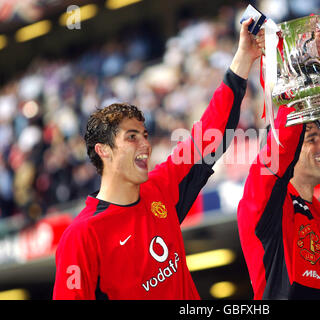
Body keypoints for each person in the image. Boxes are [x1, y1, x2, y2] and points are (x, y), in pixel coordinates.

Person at [52, 18, 263, 300]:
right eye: (131, 137)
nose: (146, 145)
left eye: (145, 135)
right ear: (103, 150)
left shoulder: (160, 188)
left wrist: (242, 61)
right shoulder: (82, 236)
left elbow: (210, 135)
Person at [237, 107, 320, 299]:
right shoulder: (265, 208)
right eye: (312, 139)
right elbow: (277, 151)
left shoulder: (318, 215)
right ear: (287, 153)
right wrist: (293, 100)